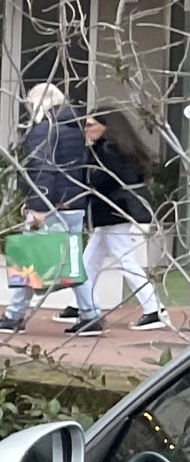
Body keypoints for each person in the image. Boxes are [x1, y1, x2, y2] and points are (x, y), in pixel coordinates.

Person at [0, 82, 102, 334]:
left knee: (27, 259)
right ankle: (91, 314)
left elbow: (42, 169)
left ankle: (15, 315)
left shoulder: (44, 130)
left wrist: (36, 205)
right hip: (73, 203)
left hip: (51, 205)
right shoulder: (74, 128)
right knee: (72, 263)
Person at [82, 109, 172, 331]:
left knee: (124, 260)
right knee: (90, 260)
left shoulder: (108, 151)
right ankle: (81, 303)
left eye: (91, 125)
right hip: (113, 212)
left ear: (106, 127)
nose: (86, 129)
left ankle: (153, 309)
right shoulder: (120, 148)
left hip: (114, 212)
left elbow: (103, 180)